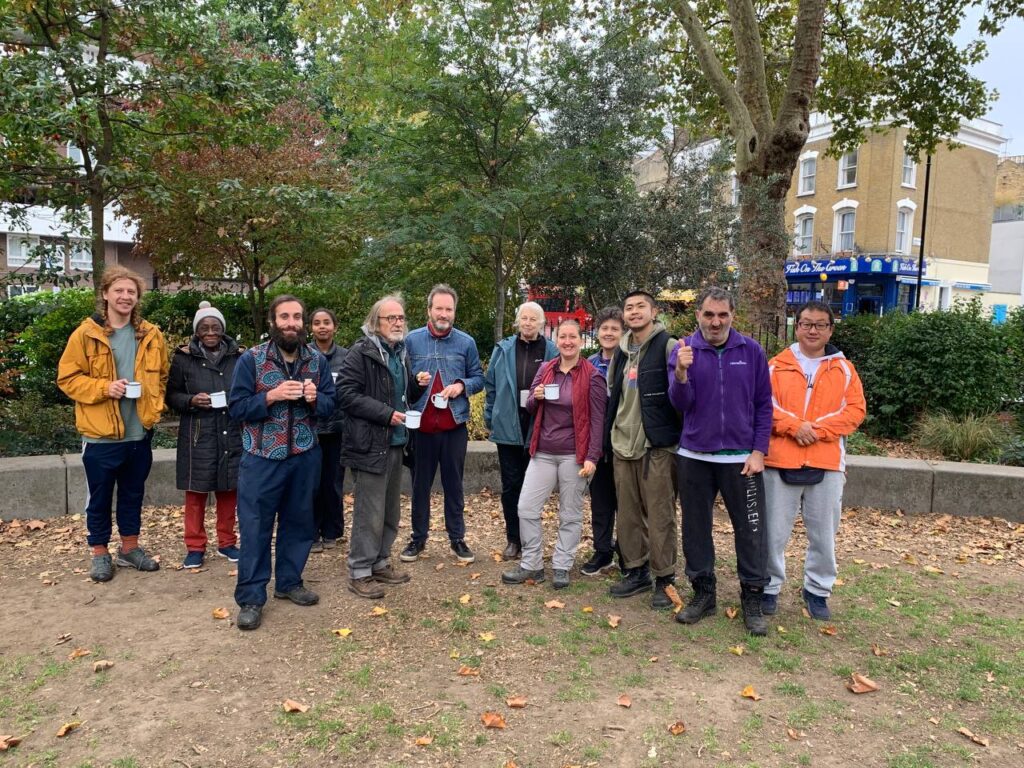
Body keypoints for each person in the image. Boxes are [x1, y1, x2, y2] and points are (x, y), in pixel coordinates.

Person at [668, 287, 773, 636]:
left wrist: (759, 451)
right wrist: (681, 374)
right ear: (698, 314)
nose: (716, 322)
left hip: (742, 459)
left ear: (732, 315)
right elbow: (680, 404)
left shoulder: (752, 351)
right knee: (696, 529)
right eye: (709, 315)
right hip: (695, 455)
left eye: (723, 315)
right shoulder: (684, 351)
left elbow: (763, 405)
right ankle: (703, 594)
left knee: (752, 530)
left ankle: (753, 597)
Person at [228, 295, 335, 631]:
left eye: (297, 317)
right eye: (285, 317)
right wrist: (270, 397)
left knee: (300, 522)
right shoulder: (253, 360)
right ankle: (251, 597)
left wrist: (318, 399)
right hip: (262, 458)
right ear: (273, 321)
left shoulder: (316, 361)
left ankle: (289, 583)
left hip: (304, 456)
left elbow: (333, 406)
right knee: (255, 526)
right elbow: (237, 407)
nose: (292, 323)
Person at [57, 265, 169, 582]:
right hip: (100, 436)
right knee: (100, 498)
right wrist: (104, 388)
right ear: (105, 294)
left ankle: (130, 549)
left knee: (133, 495)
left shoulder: (151, 334)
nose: (125, 296)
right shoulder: (85, 334)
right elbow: (67, 379)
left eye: (131, 292)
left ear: (137, 298)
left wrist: (155, 406)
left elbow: (161, 375)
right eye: (119, 290)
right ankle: (99, 553)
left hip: (139, 433)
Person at [763, 301, 866, 620]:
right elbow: (764, 406)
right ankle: (768, 587)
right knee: (773, 532)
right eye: (806, 323)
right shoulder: (775, 366)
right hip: (780, 459)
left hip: (826, 462)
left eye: (820, 324)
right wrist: (794, 427)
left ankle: (818, 590)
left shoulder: (844, 369)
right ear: (797, 326)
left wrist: (816, 431)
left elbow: (855, 411)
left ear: (830, 330)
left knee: (823, 532)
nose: (812, 330)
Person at [501, 319, 607, 589]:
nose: (568, 342)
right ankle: (532, 564)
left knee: (569, 513)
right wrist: (535, 396)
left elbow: (597, 421)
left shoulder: (592, 375)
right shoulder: (546, 369)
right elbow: (529, 405)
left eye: (573, 337)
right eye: (563, 337)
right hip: (544, 452)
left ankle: (562, 565)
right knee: (526, 507)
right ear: (556, 340)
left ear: (581, 341)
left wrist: (592, 457)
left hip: (575, 454)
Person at [339, 295, 421, 599]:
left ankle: (381, 561)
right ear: (376, 322)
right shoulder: (361, 353)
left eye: (401, 317)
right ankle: (360, 570)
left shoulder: (400, 352)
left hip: (396, 442)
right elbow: (345, 394)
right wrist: (385, 414)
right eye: (391, 318)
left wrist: (418, 385)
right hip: (369, 444)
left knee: (389, 509)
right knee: (368, 512)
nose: (398, 322)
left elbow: (399, 393)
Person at [604, 290, 681, 609]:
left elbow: (681, 394)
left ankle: (664, 579)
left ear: (654, 311)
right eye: (629, 308)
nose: (634, 312)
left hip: (656, 446)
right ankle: (635, 572)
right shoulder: (620, 352)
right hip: (623, 444)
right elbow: (614, 394)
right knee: (629, 513)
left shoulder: (669, 346)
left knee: (660, 513)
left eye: (640, 307)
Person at [401, 284, 484, 564]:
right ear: (429, 310)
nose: (444, 314)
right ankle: (418, 538)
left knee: (454, 485)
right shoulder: (410, 341)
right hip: (421, 429)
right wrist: (415, 382)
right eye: (439, 308)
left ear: (454, 312)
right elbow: (400, 380)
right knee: (419, 486)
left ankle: (457, 538)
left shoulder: (466, 342)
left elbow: (478, 378)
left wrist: (462, 385)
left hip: (453, 427)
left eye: (449, 309)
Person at [166, 301, 243, 569]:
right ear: (197, 332)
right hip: (198, 433)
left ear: (222, 330)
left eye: (215, 327)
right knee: (196, 493)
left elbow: (248, 388)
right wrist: (190, 400)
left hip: (231, 429)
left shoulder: (238, 357)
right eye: (204, 328)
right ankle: (195, 546)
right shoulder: (184, 358)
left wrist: (237, 400)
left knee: (229, 490)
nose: (210, 332)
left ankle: (227, 542)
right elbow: (171, 396)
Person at [484, 301, 557, 560]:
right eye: (524, 318)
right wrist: (490, 416)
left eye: (533, 319)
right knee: (511, 485)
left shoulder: (551, 350)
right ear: (518, 321)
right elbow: (491, 385)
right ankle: (514, 539)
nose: (528, 323)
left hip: (539, 425)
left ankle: (531, 539)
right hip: (508, 425)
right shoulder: (503, 350)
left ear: (541, 323)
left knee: (534, 487)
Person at [581, 306, 624, 577]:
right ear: (597, 332)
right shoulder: (589, 364)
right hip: (597, 444)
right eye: (605, 328)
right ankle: (602, 550)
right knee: (601, 499)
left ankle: (630, 552)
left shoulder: (631, 361)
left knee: (628, 502)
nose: (609, 333)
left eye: (615, 329)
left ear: (623, 333)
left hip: (625, 441)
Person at [309, 308, 349, 552]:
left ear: (335, 327)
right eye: (316, 323)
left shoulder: (346, 357)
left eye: (326, 322)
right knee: (310, 483)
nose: (322, 327)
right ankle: (310, 532)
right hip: (309, 430)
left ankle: (332, 531)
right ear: (310, 328)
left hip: (337, 429)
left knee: (333, 482)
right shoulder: (304, 355)